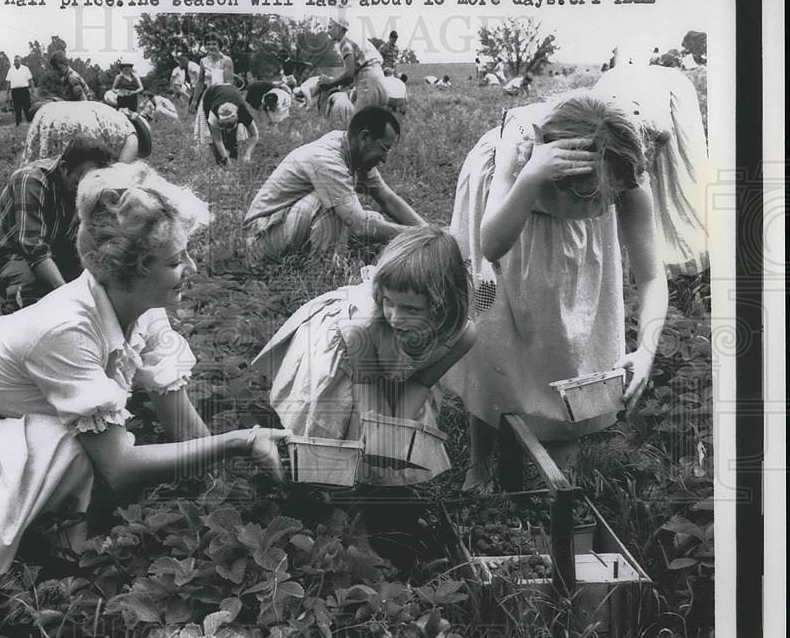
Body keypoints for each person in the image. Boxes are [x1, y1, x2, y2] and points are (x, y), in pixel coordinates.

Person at [0, 162, 291, 638]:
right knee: (80, 444)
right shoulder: (66, 327)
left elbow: (180, 419)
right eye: (176, 260)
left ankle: (58, 547)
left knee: (82, 435)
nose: (192, 268)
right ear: (131, 271)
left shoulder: (142, 310)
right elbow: (120, 468)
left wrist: (224, 490)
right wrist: (239, 440)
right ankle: (15, 578)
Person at [443, 93, 669, 490]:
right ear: (559, 181)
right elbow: (492, 245)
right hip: (506, 214)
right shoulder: (518, 155)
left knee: (568, 338)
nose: (602, 209)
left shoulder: (623, 169)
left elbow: (651, 276)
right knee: (494, 333)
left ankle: (553, 462)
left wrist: (647, 350)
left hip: (571, 243)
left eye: (609, 200)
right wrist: (530, 177)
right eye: (589, 199)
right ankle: (480, 465)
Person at [252, 227, 476, 486]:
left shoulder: (462, 335)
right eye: (388, 301)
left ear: (443, 305)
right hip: (349, 360)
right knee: (337, 426)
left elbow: (421, 382)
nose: (395, 316)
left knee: (387, 444)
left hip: (394, 367)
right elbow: (367, 384)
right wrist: (377, 436)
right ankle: (324, 483)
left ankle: (373, 487)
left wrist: (394, 435)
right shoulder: (364, 324)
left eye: (410, 309)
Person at [243, 106, 426, 262]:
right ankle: (326, 271)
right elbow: (360, 225)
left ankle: (324, 258)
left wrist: (428, 231)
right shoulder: (327, 160)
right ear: (364, 138)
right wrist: (417, 236)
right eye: (384, 148)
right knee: (334, 205)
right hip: (259, 240)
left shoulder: (354, 151)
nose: (385, 159)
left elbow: (388, 199)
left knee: (375, 220)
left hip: (284, 227)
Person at [590, 63, 711, 274]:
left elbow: (660, 139)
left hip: (648, 118)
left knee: (663, 181)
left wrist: (643, 168)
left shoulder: (656, 123)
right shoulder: (601, 118)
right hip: (617, 117)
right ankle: (621, 256)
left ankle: (654, 255)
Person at [0, 137, 115, 314]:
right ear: (64, 168)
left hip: (57, 252)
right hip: (10, 257)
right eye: (79, 182)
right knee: (33, 292)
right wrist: (65, 295)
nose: (85, 189)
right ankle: (18, 324)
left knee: (100, 281)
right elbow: (33, 247)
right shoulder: (31, 180)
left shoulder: (92, 184)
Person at [23, 101, 140, 164]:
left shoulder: (113, 114)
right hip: (82, 123)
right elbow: (121, 171)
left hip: (51, 114)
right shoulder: (131, 134)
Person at [320, 14, 389, 110]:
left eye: (330, 27)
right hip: (380, 80)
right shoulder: (355, 38)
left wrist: (330, 82)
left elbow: (349, 74)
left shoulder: (345, 42)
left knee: (358, 122)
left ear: (339, 28)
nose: (328, 31)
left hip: (368, 82)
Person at [193, 83, 260, 166]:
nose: (227, 129)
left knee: (231, 138)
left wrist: (248, 154)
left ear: (238, 118)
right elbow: (218, 140)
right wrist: (225, 158)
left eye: (230, 125)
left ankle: (233, 159)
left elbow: (255, 135)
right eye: (223, 125)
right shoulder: (213, 114)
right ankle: (221, 163)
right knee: (216, 138)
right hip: (210, 94)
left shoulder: (243, 113)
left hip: (231, 89)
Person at [188, 32, 235, 114]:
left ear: (219, 45)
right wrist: (194, 100)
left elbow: (229, 83)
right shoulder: (203, 61)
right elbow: (200, 82)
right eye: (208, 44)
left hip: (223, 96)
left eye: (214, 44)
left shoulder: (226, 61)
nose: (211, 47)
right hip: (208, 95)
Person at [4, 55, 34, 127]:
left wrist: (33, 89)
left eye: (17, 60)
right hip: (15, 91)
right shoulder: (11, 70)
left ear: (20, 61)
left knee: (27, 107)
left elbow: (30, 80)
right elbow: (8, 82)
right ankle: (18, 123)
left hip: (24, 90)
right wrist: (7, 93)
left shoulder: (25, 69)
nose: (16, 62)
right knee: (17, 108)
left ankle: (29, 121)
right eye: (15, 61)